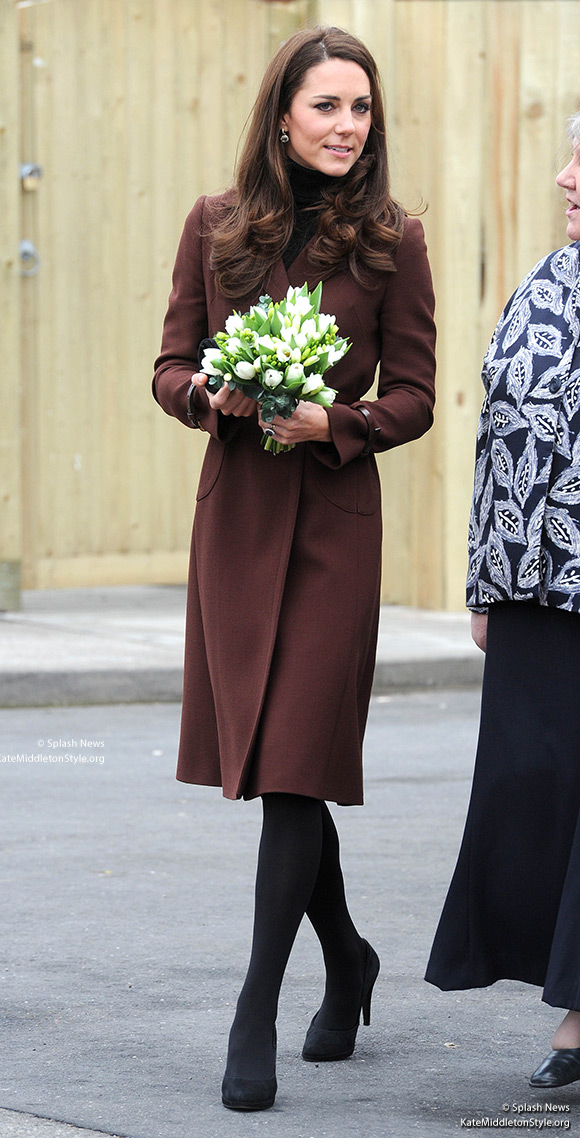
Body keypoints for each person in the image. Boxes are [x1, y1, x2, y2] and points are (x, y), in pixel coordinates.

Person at [154, 25, 436, 1112]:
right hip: (235, 525)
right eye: (326, 107)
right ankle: (349, 955)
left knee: (294, 768)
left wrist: (339, 420)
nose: (345, 127)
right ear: (282, 114)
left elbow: (412, 392)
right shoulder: (214, 226)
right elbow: (171, 363)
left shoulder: (393, 238)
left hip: (332, 524)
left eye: (360, 109)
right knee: (274, 766)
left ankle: (252, 1010)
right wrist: (203, 398)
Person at [425, 112, 580, 1089]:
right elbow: (498, 442)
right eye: (569, 154)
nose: (567, 176)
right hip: (532, 585)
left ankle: (576, 1019)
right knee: (532, 793)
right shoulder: (547, 280)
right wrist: (485, 582)